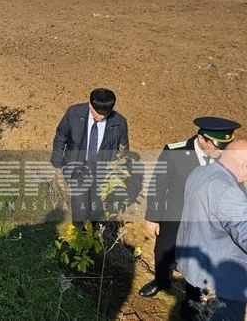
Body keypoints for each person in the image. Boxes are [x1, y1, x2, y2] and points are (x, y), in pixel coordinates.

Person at [138, 117, 227, 298]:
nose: (220, 151)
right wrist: (153, 216)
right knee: (163, 252)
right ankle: (161, 281)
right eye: (217, 146)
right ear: (202, 138)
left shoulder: (225, 158)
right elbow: (158, 185)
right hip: (174, 216)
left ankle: (192, 300)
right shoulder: (174, 152)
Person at [176, 124, 244, 321]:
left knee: (192, 312)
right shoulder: (229, 192)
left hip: (194, 270)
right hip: (220, 282)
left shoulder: (200, 172)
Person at [50, 88, 129, 227]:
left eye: (105, 114)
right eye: (98, 113)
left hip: (102, 173)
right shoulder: (74, 113)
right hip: (78, 169)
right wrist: (57, 164)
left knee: (97, 210)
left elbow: (123, 152)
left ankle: (96, 239)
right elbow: (60, 137)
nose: (101, 117)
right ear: (90, 104)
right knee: (80, 208)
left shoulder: (119, 122)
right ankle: (79, 239)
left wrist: (117, 178)